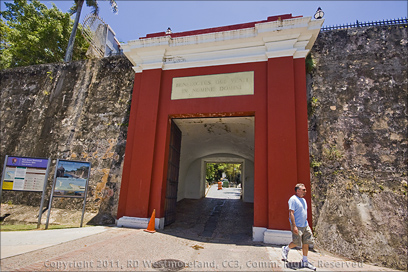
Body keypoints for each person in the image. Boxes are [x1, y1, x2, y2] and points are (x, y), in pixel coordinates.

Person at [281, 183, 316, 271]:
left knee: (306, 242)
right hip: (297, 225)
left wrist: (306, 224)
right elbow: (291, 213)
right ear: (298, 190)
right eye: (303, 190)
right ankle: (286, 249)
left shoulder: (303, 200)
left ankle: (305, 260)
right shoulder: (293, 199)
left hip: (305, 225)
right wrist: (294, 226)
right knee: (296, 243)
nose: (305, 191)